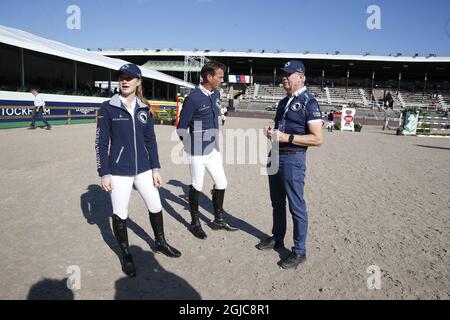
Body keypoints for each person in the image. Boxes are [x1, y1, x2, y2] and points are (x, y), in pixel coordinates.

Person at [96, 63, 181, 278]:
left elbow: (150, 141)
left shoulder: (144, 108)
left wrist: (156, 168)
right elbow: (100, 143)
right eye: (121, 77)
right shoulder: (107, 108)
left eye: (130, 77)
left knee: (155, 205)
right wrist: (104, 173)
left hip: (144, 169)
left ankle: (160, 242)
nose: (124, 81)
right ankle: (126, 255)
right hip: (118, 171)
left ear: (138, 81)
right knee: (120, 214)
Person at [257, 60, 323, 269]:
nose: (284, 77)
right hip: (275, 156)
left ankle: (299, 251)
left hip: (293, 159)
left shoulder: (309, 103)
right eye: (283, 74)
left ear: (301, 76)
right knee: (277, 203)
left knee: (296, 206)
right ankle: (277, 237)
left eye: (289, 74)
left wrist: (287, 137)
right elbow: (281, 133)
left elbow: (317, 139)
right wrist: (273, 135)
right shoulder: (283, 102)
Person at [177, 61, 238, 240]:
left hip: (213, 150)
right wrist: (191, 147)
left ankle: (218, 220)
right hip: (196, 151)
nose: (222, 79)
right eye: (219, 76)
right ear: (208, 77)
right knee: (197, 184)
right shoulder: (193, 98)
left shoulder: (216, 94)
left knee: (222, 183)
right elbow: (181, 128)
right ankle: (195, 223)